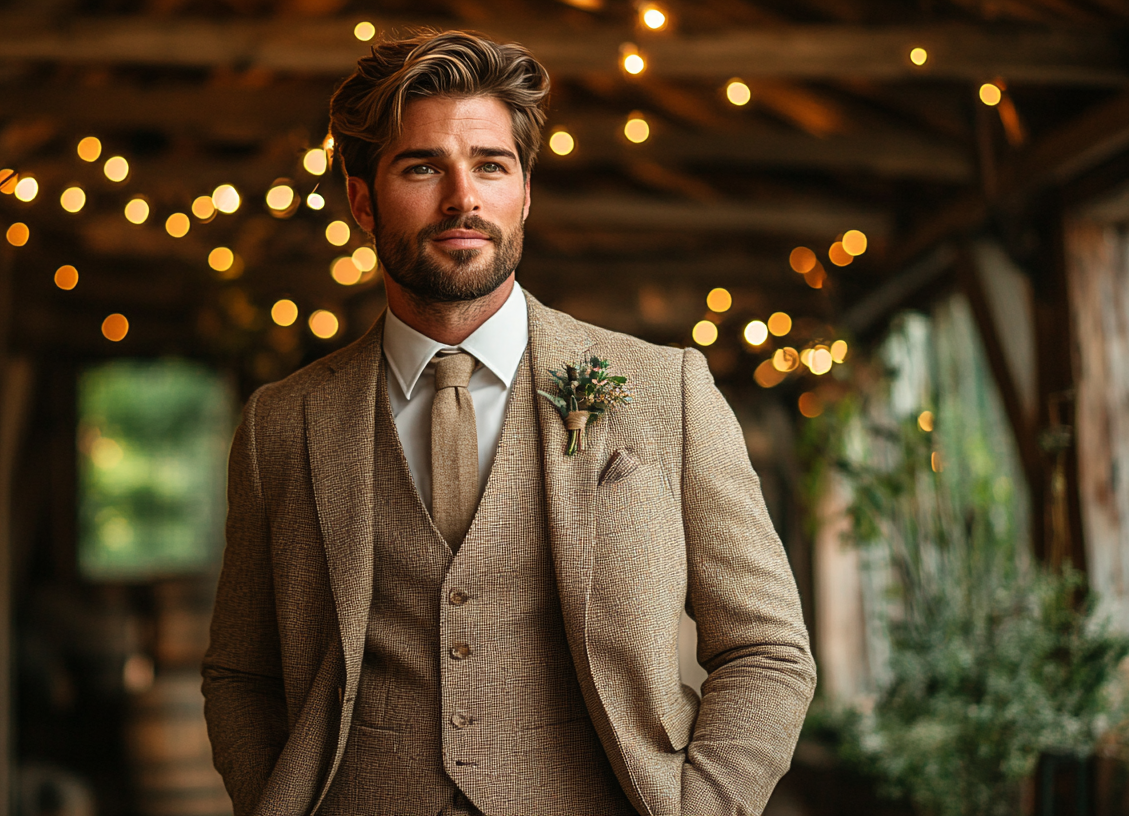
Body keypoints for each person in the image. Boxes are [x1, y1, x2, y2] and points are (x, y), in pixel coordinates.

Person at [202, 29, 815, 816]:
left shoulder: (668, 394)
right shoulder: (280, 425)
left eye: (491, 165)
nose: (463, 198)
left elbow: (766, 650)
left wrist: (702, 809)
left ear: (524, 192)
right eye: (422, 167)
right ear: (362, 201)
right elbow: (241, 675)